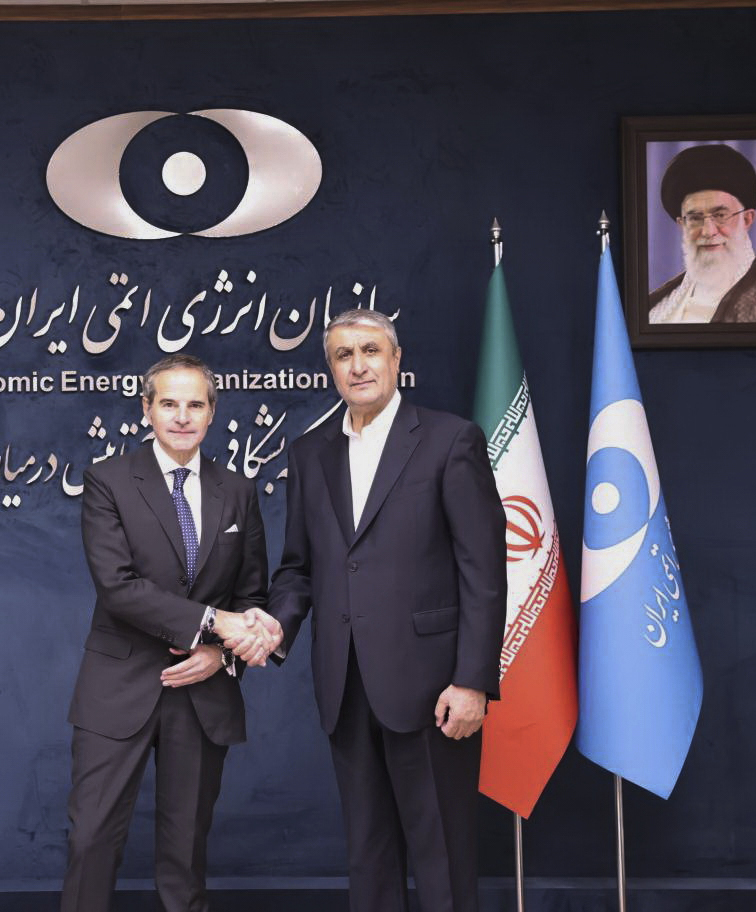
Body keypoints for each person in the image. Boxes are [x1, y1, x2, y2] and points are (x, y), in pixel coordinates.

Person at [266, 309, 506, 912]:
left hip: (433, 687)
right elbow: (298, 568)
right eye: (343, 356)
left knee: (441, 855)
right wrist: (272, 626)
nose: (358, 365)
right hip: (344, 685)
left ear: (396, 360)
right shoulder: (309, 452)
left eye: (370, 351)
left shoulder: (452, 440)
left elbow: (483, 569)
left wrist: (472, 680)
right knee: (368, 856)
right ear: (331, 370)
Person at [62, 354, 279, 912]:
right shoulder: (107, 479)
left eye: (195, 404)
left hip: (202, 694)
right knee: (91, 841)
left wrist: (220, 655)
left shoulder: (238, 491)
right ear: (147, 410)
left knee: (185, 857)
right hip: (119, 687)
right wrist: (211, 623)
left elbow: (251, 596)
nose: (182, 417)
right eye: (169, 404)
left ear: (211, 413)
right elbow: (117, 587)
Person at [648, 143, 756, 324]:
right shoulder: (656, 306)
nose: (708, 231)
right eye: (695, 218)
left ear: (747, 219)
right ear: (682, 225)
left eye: (720, 215)